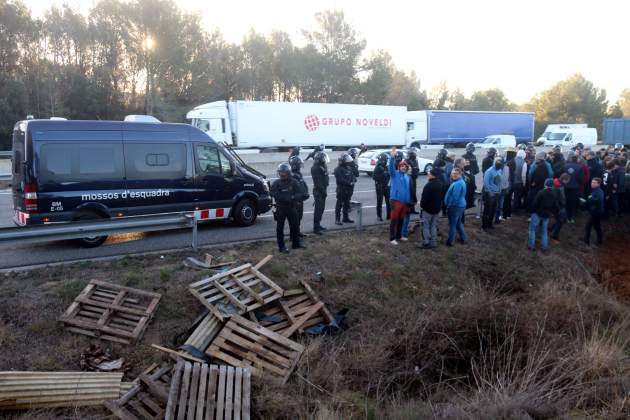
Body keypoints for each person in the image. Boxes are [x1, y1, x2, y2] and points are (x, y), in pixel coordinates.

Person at [270, 163, 303, 253]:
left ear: (288, 173)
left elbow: (299, 193)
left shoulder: (294, 182)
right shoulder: (276, 183)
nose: (282, 174)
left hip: (292, 207)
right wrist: (283, 197)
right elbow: (273, 193)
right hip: (281, 208)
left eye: (284, 173)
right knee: (280, 229)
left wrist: (293, 197)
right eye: (281, 172)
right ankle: (281, 247)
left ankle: (296, 244)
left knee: (295, 226)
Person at [528, 178, 558, 252]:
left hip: (537, 213)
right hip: (546, 215)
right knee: (544, 231)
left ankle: (531, 246)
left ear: (545, 184)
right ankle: (544, 247)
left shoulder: (541, 192)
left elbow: (535, 203)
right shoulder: (554, 194)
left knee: (532, 229)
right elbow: (555, 206)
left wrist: (532, 212)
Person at [388, 148, 411, 245]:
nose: (403, 167)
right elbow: (390, 167)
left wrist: (408, 201)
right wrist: (392, 157)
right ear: (399, 167)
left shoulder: (407, 177)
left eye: (405, 166)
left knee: (401, 220)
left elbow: (407, 190)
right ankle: (392, 238)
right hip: (396, 200)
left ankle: (399, 236)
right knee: (394, 220)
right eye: (401, 166)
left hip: (404, 202)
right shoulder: (394, 174)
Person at [419, 168, 444, 249]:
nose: (428, 174)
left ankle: (426, 242)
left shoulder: (428, 185)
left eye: (429, 173)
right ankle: (433, 242)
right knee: (433, 226)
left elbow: (424, 199)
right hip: (437, 209)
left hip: (428, 210)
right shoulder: (440, 184)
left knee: (425, 226)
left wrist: (422, 206)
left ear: (433, 175)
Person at [444, 168, 467, 246]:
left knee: (452, 224)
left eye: (456, 174)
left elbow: (455, 197)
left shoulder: (457, 184)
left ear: (460, 174)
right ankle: (463, 238)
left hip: (455, 207)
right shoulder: (461, 181)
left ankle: (450, 241)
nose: (453, 175)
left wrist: (449, 206)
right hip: (461, 205)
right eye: (453, 173)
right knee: (458, 223)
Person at [289, 155, 309, 237]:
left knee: (299, 217)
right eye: (299, 164)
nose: (300, 165)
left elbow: (302, 185)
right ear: (295, 165)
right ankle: (293, 235)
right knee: (294, 219)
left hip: (300, 199)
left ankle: (297, 232)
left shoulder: (298, 174)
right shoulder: (292, 175)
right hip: (295, 201)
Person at [334, 153, 356, 225]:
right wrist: (349, 183)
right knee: (339, 204)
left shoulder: (348, 168)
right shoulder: (337, 169)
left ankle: (345, 218)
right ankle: (337, 219)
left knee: (346, 204)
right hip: (341, 189)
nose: (348, 162)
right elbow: (340, 180)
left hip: (348, 190)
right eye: (346, 160)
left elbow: (353, 175)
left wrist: (353, 180)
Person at [563, 151, 584, 223]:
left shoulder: (565, 166)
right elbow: (581, 179)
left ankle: (564, 216)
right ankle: (570, 218)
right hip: (575, 188)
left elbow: (561, 175)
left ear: (571, 159)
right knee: (572, 203)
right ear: (577, 159)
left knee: (565, 201)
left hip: (565, 186)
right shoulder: (580, 167)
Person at [310, 151, 329, 235]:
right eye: (323, 158)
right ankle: (316, 228)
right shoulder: (315, 168)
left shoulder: (322, 166)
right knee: (318, 210)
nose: (324, 160)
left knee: (321, 209)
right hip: (319, 191)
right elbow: (318, 182)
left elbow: (325, 176)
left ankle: (318, 225)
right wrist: (323, 191)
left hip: (323, 189)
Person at [482, 157, 503, 230]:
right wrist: (490, 191)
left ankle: (490, 224)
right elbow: (486, 182)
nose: (499, 163)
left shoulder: (500, 170)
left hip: (497, 193)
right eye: (498, 162)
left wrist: (499, 190)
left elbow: (500, 181)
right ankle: (484, 226)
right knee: (487, 210)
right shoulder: (489, 171)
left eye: (500, 162)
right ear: (494, 162)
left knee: (493, 210)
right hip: (489, 194)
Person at [583, 177, 604, 245]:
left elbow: (598, 200)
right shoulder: (595, 190)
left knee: (589, 226)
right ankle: (599, 240)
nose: (592, 184)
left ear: (598, 184)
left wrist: (590, 198)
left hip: (596, 212)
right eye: (592, 182)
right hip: (595, 211)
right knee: (596, 226)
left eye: (594, 183)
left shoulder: (599, 191)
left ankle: (587, 241)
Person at [550, 175, 568, 243]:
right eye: (567, 181)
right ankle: (555, 236)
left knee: (559, 219)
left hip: (556, 206)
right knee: (561, 220)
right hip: (558, 206)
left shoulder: (555, 183)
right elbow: (559, 198)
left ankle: (551, 228)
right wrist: (561, 207)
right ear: (564, 180)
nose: (567, 182)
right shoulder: (559, 187)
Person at [372, 152, 391, 221]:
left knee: (388, 202)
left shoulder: (386, 167)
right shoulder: (378, 167)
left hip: (386, 186)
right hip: (379, 186)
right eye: (385, 159)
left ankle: (389, 215)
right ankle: (379, 216)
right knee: (379, 202)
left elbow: (389, 175)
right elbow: (374, 177)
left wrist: (387, 175)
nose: (386, 161)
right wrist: (383, 175)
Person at [406, 147, 420, 213]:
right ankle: (409, 209)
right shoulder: (407, 161)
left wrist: (416, 170)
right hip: (409, 179)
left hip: (414, 178)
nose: (415, 155)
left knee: (413, 193)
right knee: (410, 193)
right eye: (414, 153)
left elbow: (417, 168)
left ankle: (412, 209)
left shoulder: (415, 160)